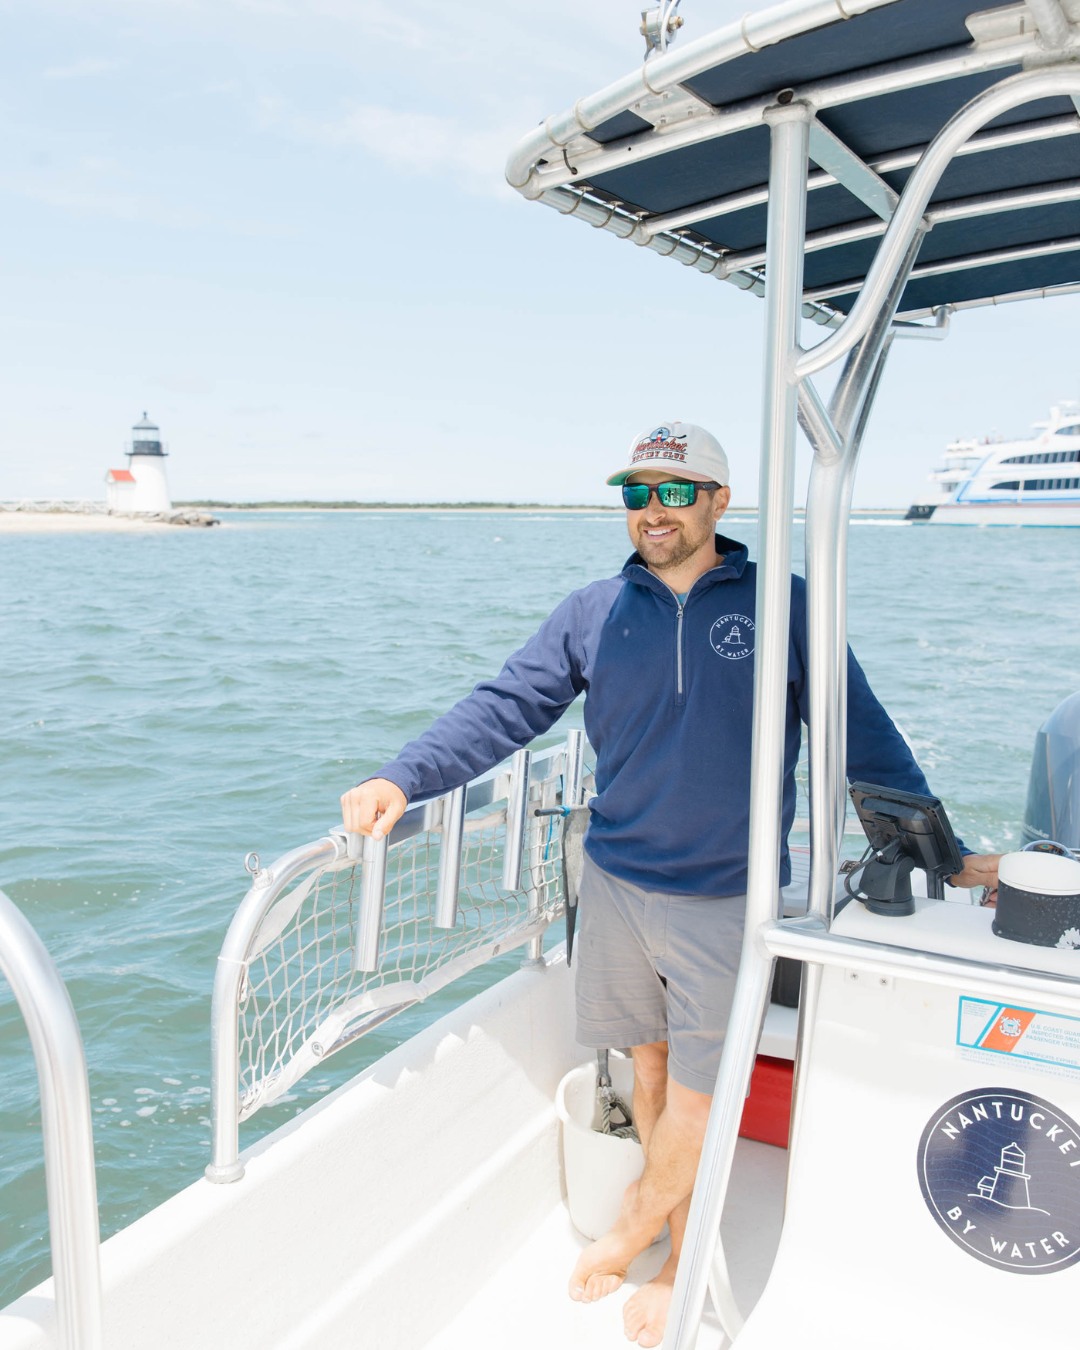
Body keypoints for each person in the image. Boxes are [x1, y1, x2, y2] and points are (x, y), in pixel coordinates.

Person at [340, 420, 1000, 1348]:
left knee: (701, 1093)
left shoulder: (785, 605)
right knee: (647, 1069)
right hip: (616, 883)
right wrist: (402, 777)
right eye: (637, 492)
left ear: (719, 501)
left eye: (676, 491)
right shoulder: (593, 611)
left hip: (727, 897)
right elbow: (504, 707)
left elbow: (863, 732)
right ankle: (681, 1242)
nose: (654, 509)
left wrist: (946, 853)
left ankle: (649, 1235)